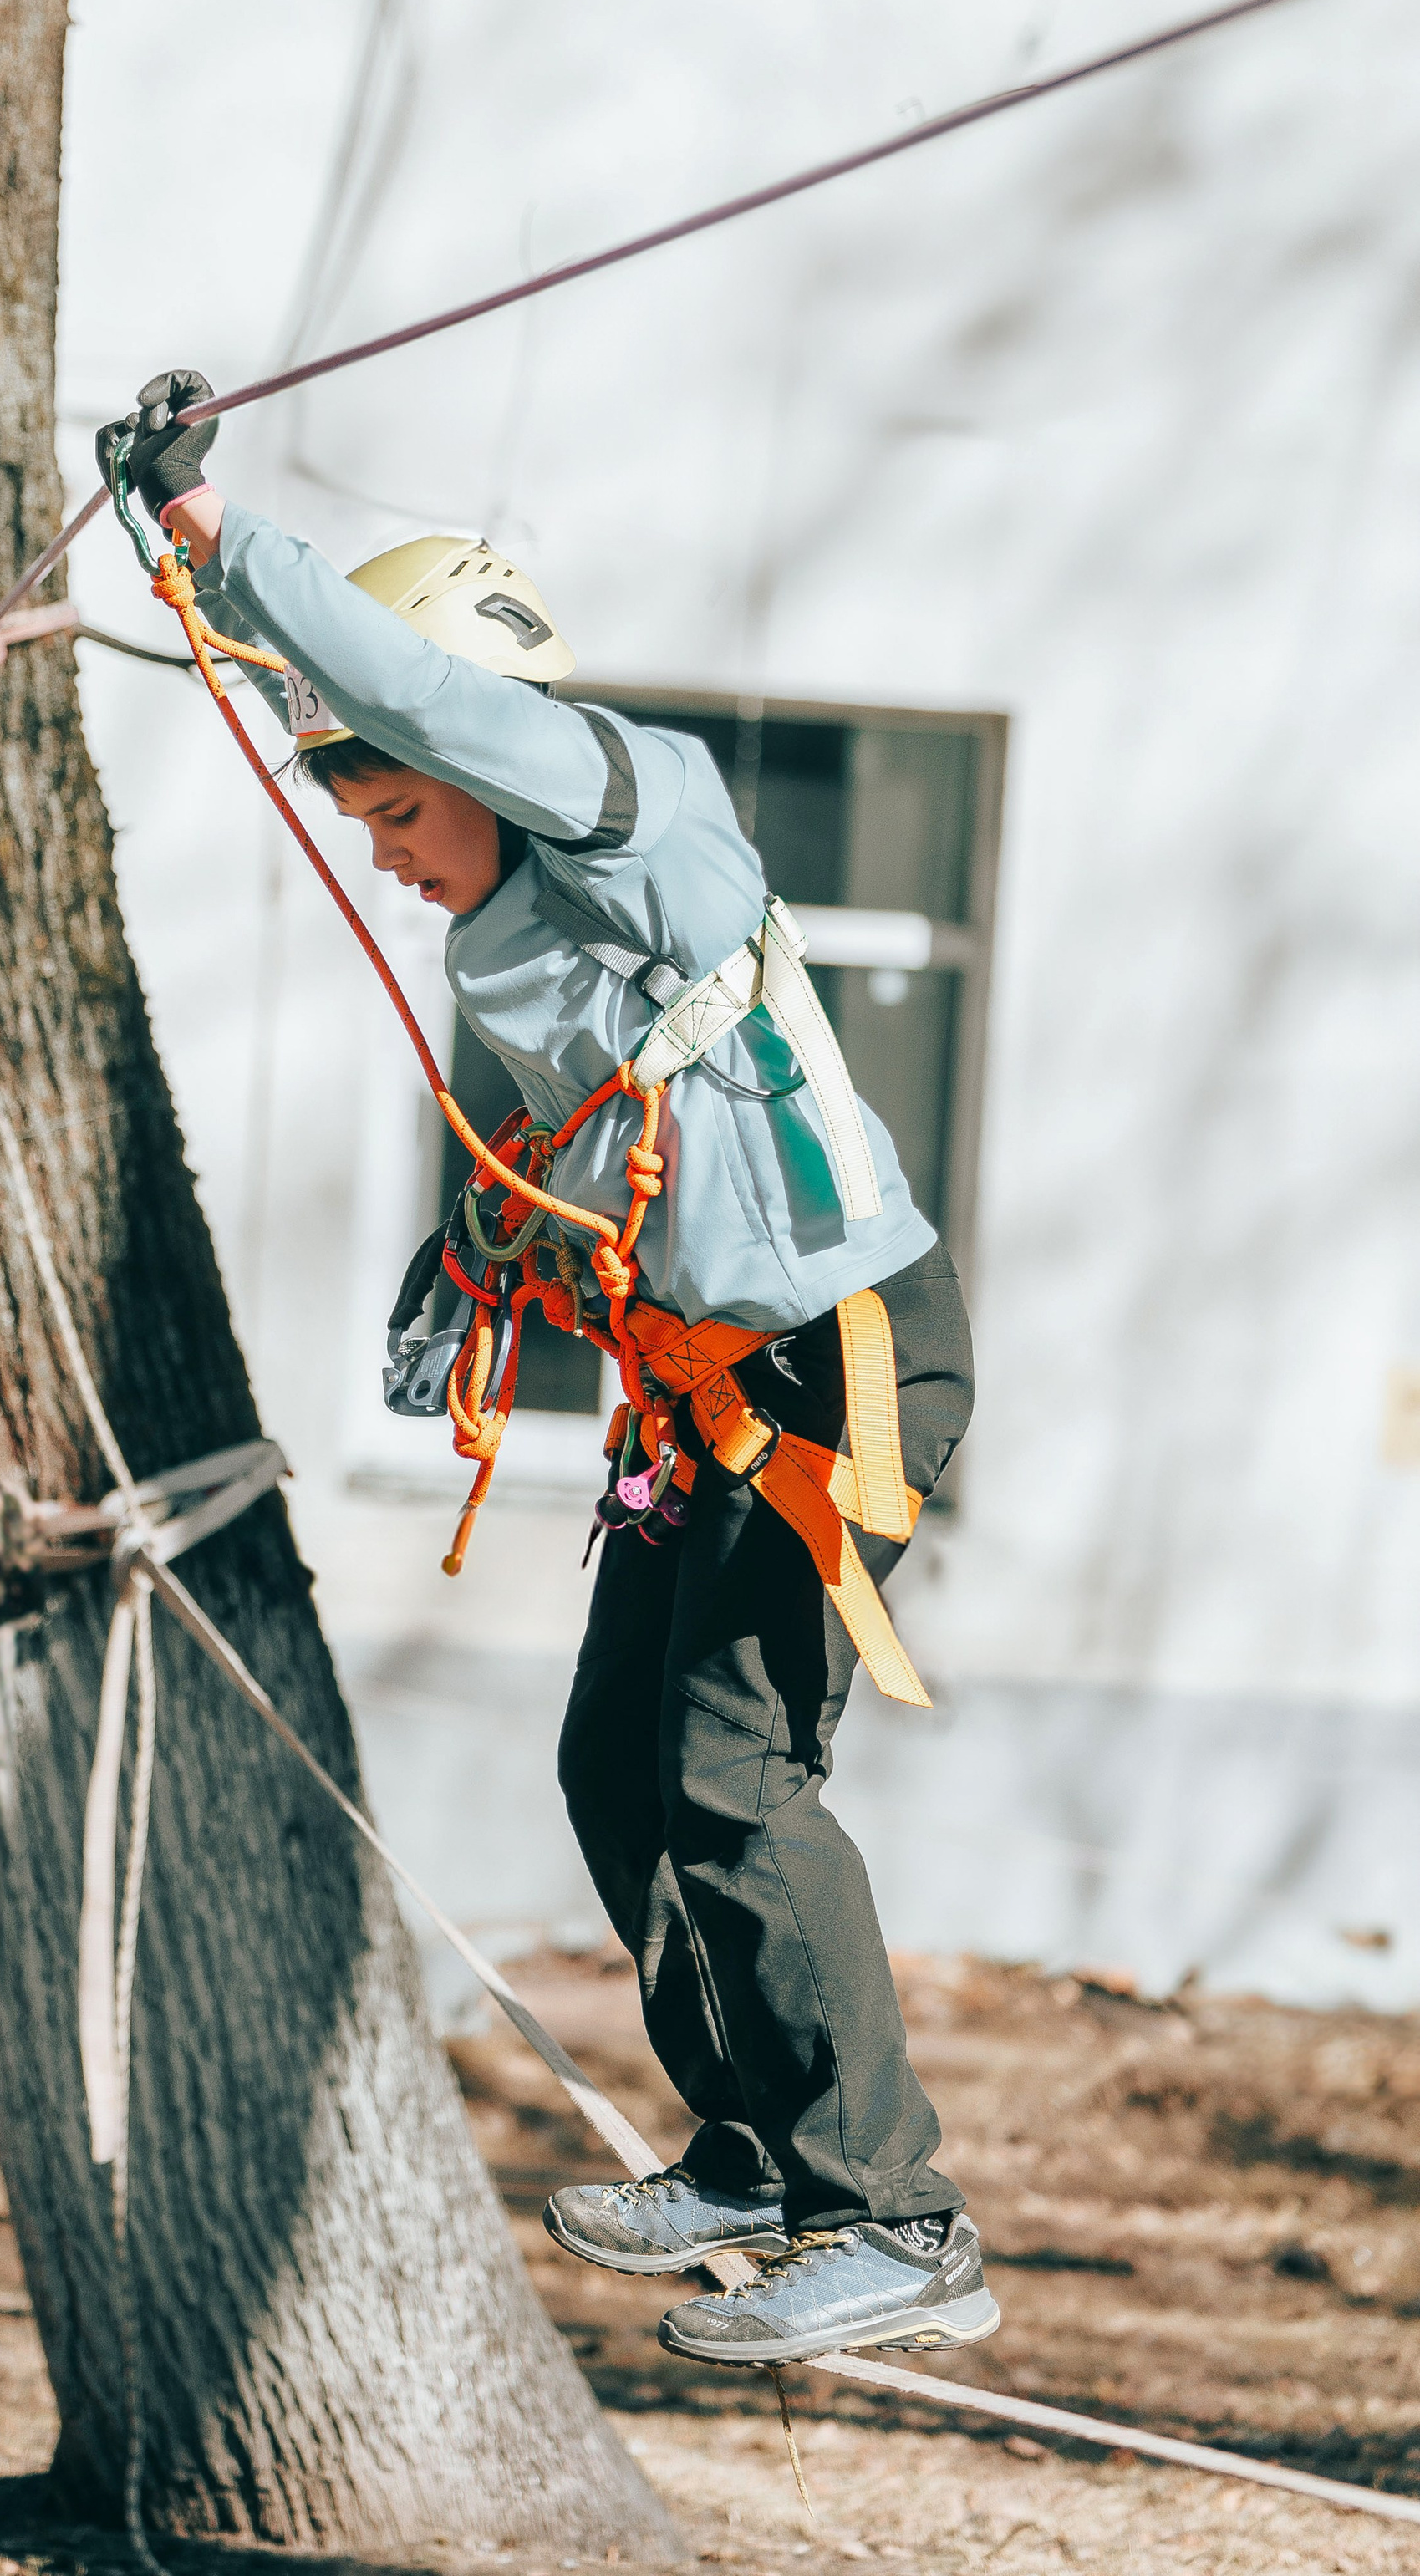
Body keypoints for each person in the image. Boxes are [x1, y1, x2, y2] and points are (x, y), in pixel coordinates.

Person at [95, 374, 999, 2368]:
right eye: (364, 815)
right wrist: (470, 1260)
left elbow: (436, 714)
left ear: (474, 761)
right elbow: (584, 1165)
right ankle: (759, 2152)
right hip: (706, 1390)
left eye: (399, 807)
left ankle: (898, 2216)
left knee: (730, 1771)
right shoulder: (504, 937)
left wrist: (222, 526)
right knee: (615, 1763)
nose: (391, 849)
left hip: (839, 1365)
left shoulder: (633, 812)